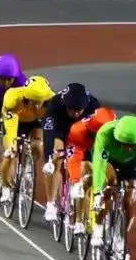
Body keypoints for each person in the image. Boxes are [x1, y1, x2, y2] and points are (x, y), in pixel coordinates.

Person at [90, 115, 136, 252]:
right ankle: (98, 226)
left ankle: (121, 236)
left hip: (132, 163)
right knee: (109, 185)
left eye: (133, 145)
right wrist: (97, 191)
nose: (130, 148)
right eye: (126, 144)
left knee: (130, 197)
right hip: (109, 161)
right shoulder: (105, 133)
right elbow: (99, 164)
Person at [41, 83, 101, 223]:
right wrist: (48, 158)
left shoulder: (94, 106)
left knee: (87, 168)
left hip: (82, 132)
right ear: (65, 104)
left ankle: (81, 217)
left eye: (79, 110)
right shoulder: (55, 104)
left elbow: (98, 137)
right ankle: (51, 203)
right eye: (72, 110)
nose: (75, 114)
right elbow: (48, 132)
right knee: (56, 157)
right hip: (60, 128)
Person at [0, 75, 55, 204]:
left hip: (35, 121)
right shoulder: (12, 99)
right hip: (15, 120)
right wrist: (11, 144)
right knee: (10, 154)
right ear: (26, 98)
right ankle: (5, 186)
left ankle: (29, 167)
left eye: (40, 102)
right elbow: (11, 128)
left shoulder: (53, 100)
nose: (37, 106)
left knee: (38, 146)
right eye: (33, 102)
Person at [65, 107, 117, 236]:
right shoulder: (78, 130)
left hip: (104, 152)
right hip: (84, 150)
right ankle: (79, 221)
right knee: (84, 173)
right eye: (96, 134)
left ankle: (102, 221)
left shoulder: (116, 132)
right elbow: (74, 158)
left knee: (110, 180)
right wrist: (76, 181)